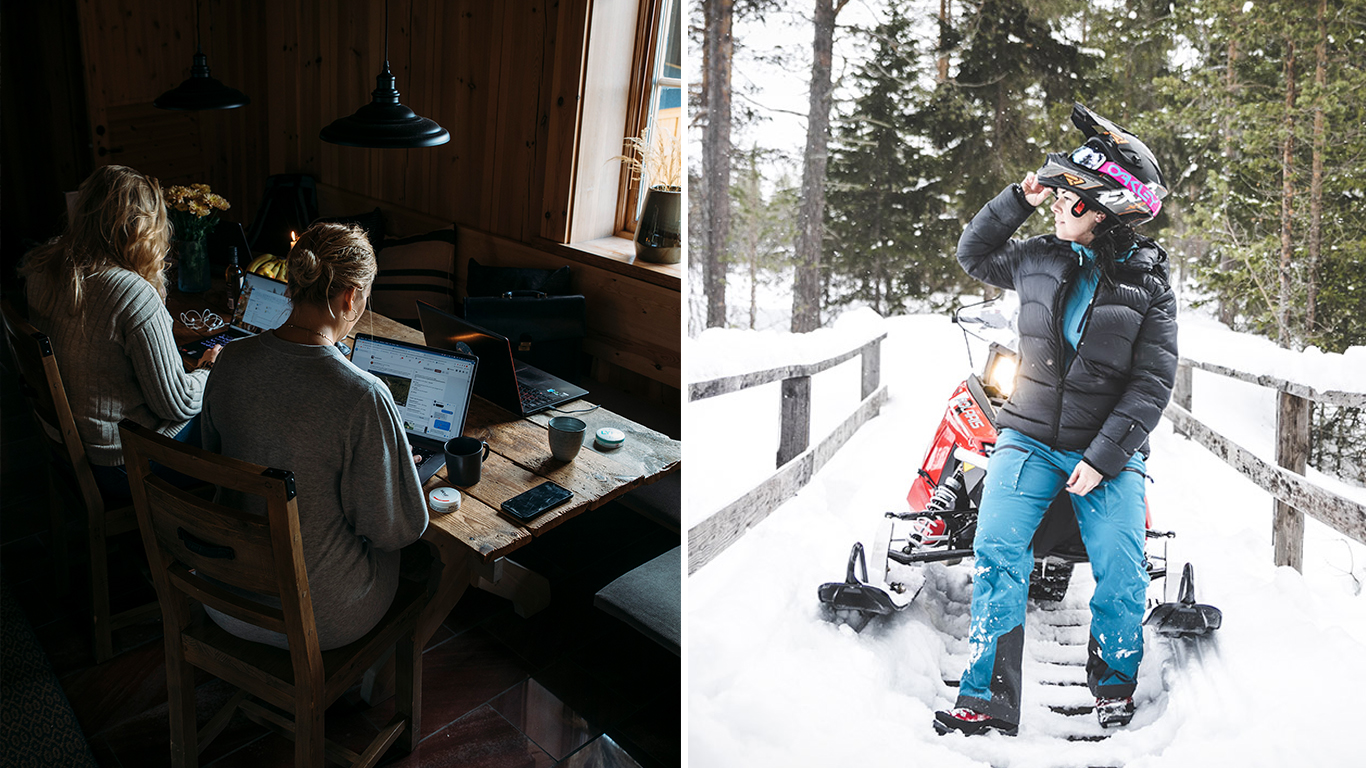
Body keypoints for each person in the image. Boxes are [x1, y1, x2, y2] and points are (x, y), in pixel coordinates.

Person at [933, 104, 1178, 736]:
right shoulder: (1039, 256)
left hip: (1108, 451)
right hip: (1029, 437)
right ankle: (986, 698)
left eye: (1069, 197)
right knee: (997, 553)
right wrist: (1021, 197)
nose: (1057, 206)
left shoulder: (1149, 286)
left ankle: (1114, 685)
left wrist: (1103, 458)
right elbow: (973, 252)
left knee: (1122, 570)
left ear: (1103, 210)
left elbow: (1152, 383)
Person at [200, 222, 428, 650]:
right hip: (316, 619)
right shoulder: (363, 395)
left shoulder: (230, 359)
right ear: (351, 296)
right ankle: (380, 671)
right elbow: (394, 531)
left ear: (292, 285)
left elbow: (214, 454)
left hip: (224, 592)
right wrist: (392, 471)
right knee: (419, 557)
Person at [20, 165, 220, 501]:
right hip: (123, 465)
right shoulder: (130, 292)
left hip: (69, 448)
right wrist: (209, 367)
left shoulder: (44, 266)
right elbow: (178, 404)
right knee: (231, 411)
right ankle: (227, 522)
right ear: (144, 228)